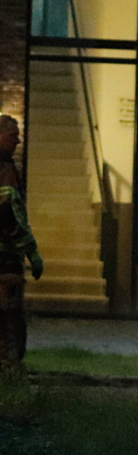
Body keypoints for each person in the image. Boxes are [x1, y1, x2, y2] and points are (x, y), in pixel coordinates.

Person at [0, 115, 43, 376]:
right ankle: (8, 372)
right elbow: (7, 211)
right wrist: (31, 250)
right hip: (5, 260)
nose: (18, 139)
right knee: (8, 320)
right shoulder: (4, 168)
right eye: (12, 134)